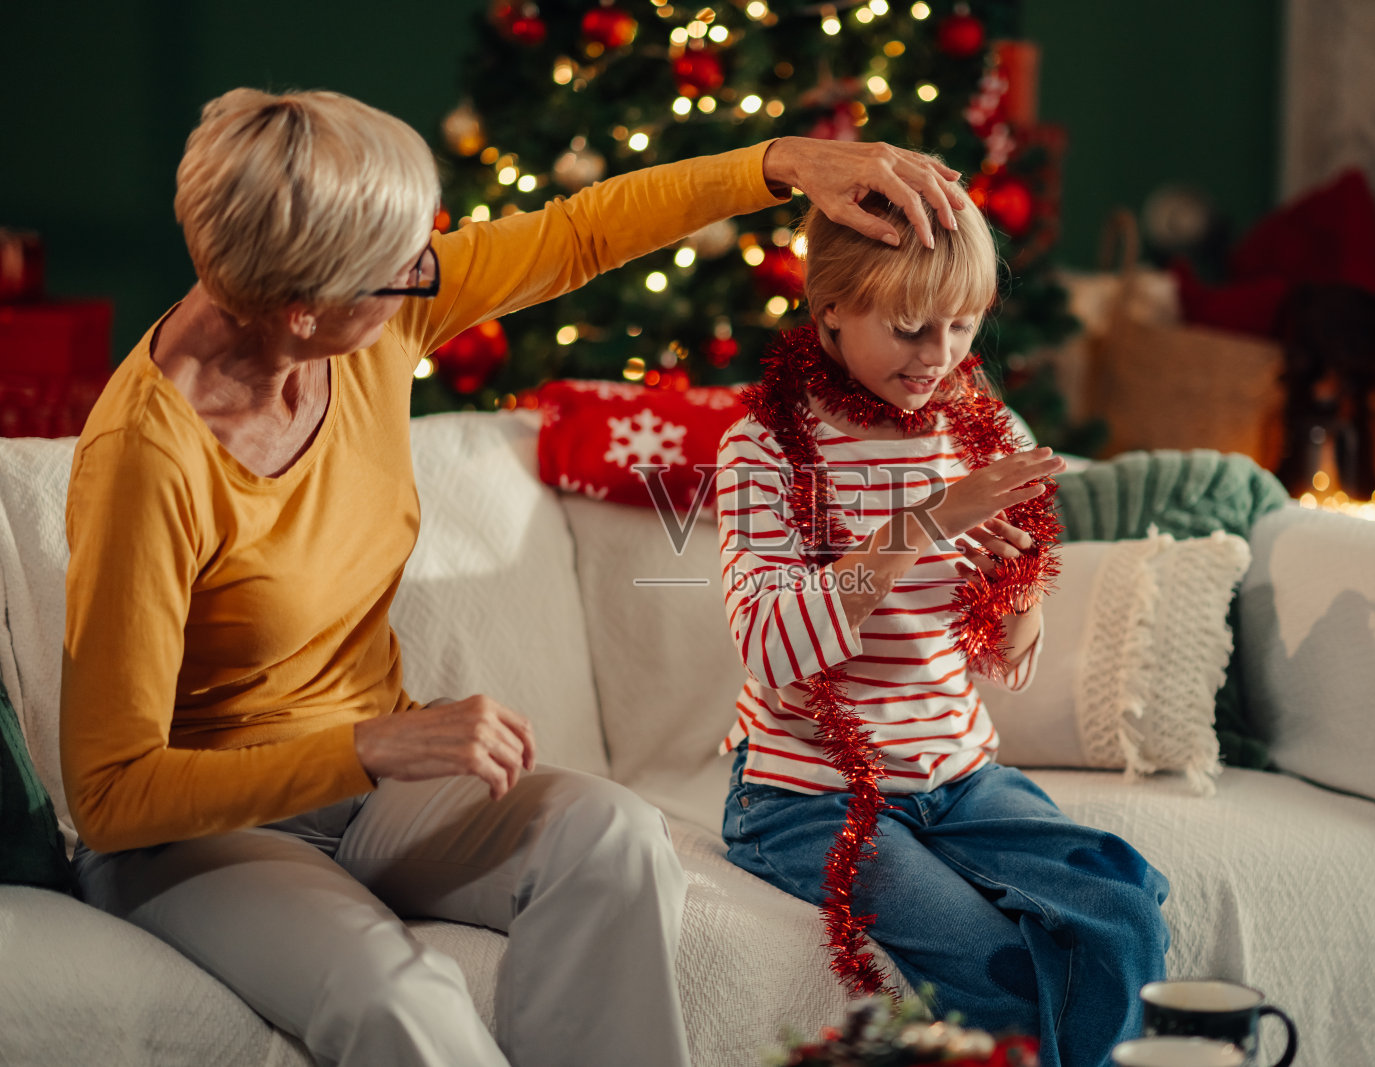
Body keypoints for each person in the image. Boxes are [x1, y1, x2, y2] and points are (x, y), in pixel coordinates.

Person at [58, 87, 967, 1067]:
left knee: (613, 835)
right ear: (303, 308)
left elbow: (577, 234)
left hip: (373, 789)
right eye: (406, 266)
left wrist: (779, 162)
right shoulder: (147, 459)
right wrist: (371, 745)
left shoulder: (372, 318)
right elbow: (111, 793)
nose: (430, 272)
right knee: (395, 994)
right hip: (205, 830)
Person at [714, 178, 1171, 1067]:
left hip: (958, 775)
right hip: (807, 794)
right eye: (910, 326)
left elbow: (1009, 655)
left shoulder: (987, 432)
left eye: (962, 325)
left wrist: (1015, 601)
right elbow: (771, 648)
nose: (940, 355)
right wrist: (926, 519)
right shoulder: (765, 446)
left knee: (1122, 910)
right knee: (994, 964)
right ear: (832, 305)